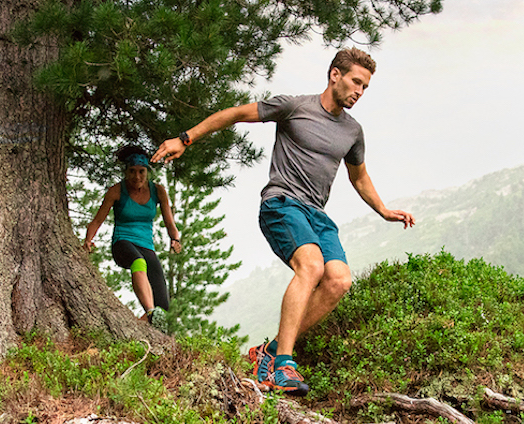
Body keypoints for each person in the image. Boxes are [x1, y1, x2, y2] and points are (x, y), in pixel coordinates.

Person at [153, 48, 415, 396]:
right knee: (311, 266)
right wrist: (184, 139)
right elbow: (235, 114)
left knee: (339, 281)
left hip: (317, 215)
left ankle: (270, 352)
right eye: (356, 82)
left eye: (365, 87)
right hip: (282, 203)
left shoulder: (353, 131)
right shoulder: (294, 107)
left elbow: (359, 177)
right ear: (334, 75)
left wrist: (383, 210)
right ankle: (282, 367)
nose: (359, 92)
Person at [84, 145, 183, 331]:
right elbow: (97, 220)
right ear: (126, 171)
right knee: (139, 262)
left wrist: (175, 239)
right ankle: (150, 310)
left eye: (141, 172)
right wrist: (88, 240)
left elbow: (170, 223)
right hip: (123, 243)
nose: (137, 176)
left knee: (164, 305)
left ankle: (135, 328)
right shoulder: (116, 191)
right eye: (132, 171)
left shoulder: (158, 191)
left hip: (147, 246)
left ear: (147, 172)